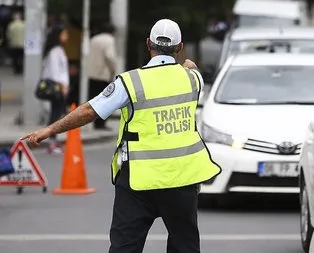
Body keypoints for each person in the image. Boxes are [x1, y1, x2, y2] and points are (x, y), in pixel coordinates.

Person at [22, 19, 221, 253]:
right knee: (184, 244)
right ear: (180, 47)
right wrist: (189, 64)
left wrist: (50, 130)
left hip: (138, 181)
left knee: (125, 247)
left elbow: (89, 110)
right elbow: (192, 68)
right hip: (182, 180)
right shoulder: (193, 80)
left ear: (148, 44)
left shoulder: (131, 82)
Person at [41, 27, 69, 154]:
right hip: (57, 87)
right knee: (55, 114)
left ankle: (53, 140)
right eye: (64, 33)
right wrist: (62, 86)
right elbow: (55, 71)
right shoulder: (55, 51)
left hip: (61, 86)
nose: (66, 36)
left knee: (56, 113)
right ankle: (52, 142)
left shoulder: (59, 50)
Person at [87, 22, 117, 129]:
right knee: (105, 100)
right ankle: (101, 123)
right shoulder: (110, 40)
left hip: (91, 73)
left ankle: (94, 121)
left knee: (94, 99)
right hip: (103, 74)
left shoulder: (93, 39)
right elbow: (110, 56)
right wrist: (113, 69)